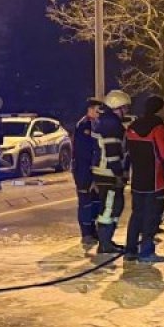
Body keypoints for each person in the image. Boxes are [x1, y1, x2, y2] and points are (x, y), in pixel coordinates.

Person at [124, 95, 164, 263]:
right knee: (152, 216)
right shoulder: (159, 129)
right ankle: (147, 252)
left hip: (138, 181)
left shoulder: (132, 127)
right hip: (155, 182)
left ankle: (130, 250)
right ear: (159, 109)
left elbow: (128, 155)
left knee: (137, 215)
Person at [91, 89, 131, 255]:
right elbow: (113, 152)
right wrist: (119, 174)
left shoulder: (106, 121)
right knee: (109, 208)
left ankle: (107, 240)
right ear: (117, 107)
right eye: (125, 108)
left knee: (115, 206)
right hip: (108, 173)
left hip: (105, 172)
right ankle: (105, 243)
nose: (126, 112)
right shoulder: (111, 125)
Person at [72, 97, 103, 248]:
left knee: (96, 202)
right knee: (85, 202)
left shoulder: (98, 125)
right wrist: (90, 174)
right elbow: (84, 153)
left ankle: (93, 230)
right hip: (83, 170)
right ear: (89, 110)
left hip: (96, 170)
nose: (98, 113)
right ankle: (86, 233)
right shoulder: (83, 126)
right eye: (96, 110)